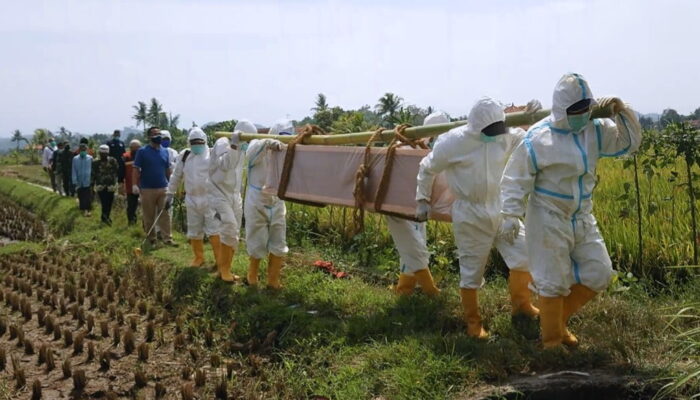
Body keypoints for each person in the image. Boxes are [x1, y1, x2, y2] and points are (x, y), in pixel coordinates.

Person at [500, 73, 642, 348]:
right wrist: (509, 215)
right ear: (562, 109)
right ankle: (551, 342)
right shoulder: (538, 138)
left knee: (600, 271)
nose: (581, 114)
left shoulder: (594, 129)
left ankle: (556, 321)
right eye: (575, 110)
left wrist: (620, 109)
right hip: (547, 215)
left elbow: (627, 142)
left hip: (582, 215)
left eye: (585, 108)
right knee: (551, 280)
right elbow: (515, 177)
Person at [416, 97, 541, 339]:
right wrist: (422, 199)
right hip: (470, 213)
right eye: (490, 129)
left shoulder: (503, 133)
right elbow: (426, 166)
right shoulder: (451, 142)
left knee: (524, 253)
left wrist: (531, 118)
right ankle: (473, 324)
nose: (495, 133)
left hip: (502, 206)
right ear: (475, 126)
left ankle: (521, 305)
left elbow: (528, 140)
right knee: (472, 269)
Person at [391, 111, 450, 296]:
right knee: (412, 246)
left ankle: (405, 289)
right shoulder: (408, 151)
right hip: (396, 206)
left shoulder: (429, 153)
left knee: (416, 244)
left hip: (414, 206)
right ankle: (429, 289)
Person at [244, 120, 290, 289]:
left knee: (279, 240)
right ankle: (252, 276)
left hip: (277, 201)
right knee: (257, 240)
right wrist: (267, 143)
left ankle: (273, 281)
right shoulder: (258, 144)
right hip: (257, 201)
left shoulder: (285, 152)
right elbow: (250, 156)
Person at [208, 120, 253, 282]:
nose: (247, 144)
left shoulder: (241, 148)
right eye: (246, 141)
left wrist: (239, 147)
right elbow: (226, 165)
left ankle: (226, 268)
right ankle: (224, 270)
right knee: (229, 226)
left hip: (234, 195)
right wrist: (234, 146)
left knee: (234, 232)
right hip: (218, 193)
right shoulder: (223, 143)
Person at [166, 128, 218, 267]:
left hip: (210, 199)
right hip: (191, 199)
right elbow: (176, 176)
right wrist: (170, 193)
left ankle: (219, 261)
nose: (197, 145)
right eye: (194, 143)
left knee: (214, 230)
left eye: (199, 142)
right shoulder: (185, 155)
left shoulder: (212, 154)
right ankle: (198, 258)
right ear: (189, 143)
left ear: (205, 142)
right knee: (194, 231)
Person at [134, 127, 175, 246]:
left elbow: (168, 170)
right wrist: (134, 185)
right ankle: (152, 239)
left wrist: (171, 186)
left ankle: (167, 238)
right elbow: (136, 169)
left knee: (165, 214)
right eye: (154, 134)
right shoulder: (142, 151)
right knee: (149, 216)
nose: (158, 136)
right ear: (149, 137)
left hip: (163, 187)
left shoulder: (165, 151)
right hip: (147, 189)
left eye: (159, 133)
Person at [92, 144, 119, 225]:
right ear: (99, 153)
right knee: (104, 202)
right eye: (102, 153)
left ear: (108, 153)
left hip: (111, 185)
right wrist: (92, 185)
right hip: (101, 185)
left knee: (110, 202)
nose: (103, 155)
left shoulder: (112, 160)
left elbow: (116, 170)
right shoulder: (95, 162)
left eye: (105, 153)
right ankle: (105, 218)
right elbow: (93, 174)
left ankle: (106, 217)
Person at [123, 139, 142, 225]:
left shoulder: (144, 156)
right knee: (131, 206)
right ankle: (132, 223)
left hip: (144, 185)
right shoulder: (126, 157)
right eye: (133, 148)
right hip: (130, 186)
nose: (135, 150)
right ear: (130, 148)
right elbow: (121, 170)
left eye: (137, 148)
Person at [72, 143, 93, 216]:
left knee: (87, 195)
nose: (83, 151)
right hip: (79, 180)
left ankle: (88, 210)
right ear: (79, 150)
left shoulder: (90, 158)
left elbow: (92, 169)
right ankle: (83, 209)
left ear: (86, 150)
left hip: (87, 180)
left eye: (84, 150)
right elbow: (73, 170)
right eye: (81, 150)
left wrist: (93, 179)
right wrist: (74, 180)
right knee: (81, 195)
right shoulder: (75, 159)